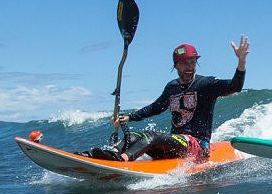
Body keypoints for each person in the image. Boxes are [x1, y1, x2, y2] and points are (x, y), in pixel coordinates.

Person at [79, 36, 249, 161]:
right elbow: (156, 107)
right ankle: (106, 155)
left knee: (151, 135)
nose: (189, 67)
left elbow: (235, 86)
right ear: (175, 65)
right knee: (134, 135)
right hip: (174, 146)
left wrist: (241, 62)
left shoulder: (205, 84)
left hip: (197, 147)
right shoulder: (172, 87)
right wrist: (130, 117)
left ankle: (121, 160)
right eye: (184, 63)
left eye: (192, 62)